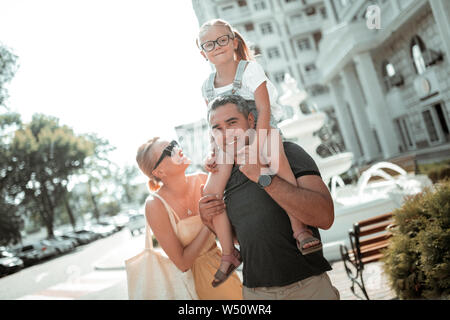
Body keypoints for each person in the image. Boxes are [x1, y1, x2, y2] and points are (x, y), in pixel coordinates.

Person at [196, 18, 322, 287]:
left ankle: (299, 228)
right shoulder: (207, 85)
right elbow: (213, 121)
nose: (216, 47)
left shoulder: (250, 70)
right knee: (210, 193)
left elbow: (263, 109)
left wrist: (256, 146)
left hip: (261, 132)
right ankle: (229, 253)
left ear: (233, 42)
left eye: (221, 40)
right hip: (228, 143)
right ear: (202, 52)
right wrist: (212, 151)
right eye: (209, 44)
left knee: (279, 160)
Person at [199, 95, 340, 300]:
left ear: (250, 120)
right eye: (217, 128)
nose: (226, 133)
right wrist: (207, 218)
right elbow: (242, 237)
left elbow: (325, 217)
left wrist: (264, 177)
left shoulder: (288, 152)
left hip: (309, 287)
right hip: (257, 293)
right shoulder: (221, 173)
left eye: (232, 123)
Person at [135, 137, 242, 300]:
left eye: (174, 143)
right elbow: (182, 263)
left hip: (224, 269)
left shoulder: (203, 179)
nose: (177, 148)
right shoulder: (154, 205)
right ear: (159, 172)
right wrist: (206, 224)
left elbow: (231, 232)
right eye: (169, 149)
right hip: (195, 285)